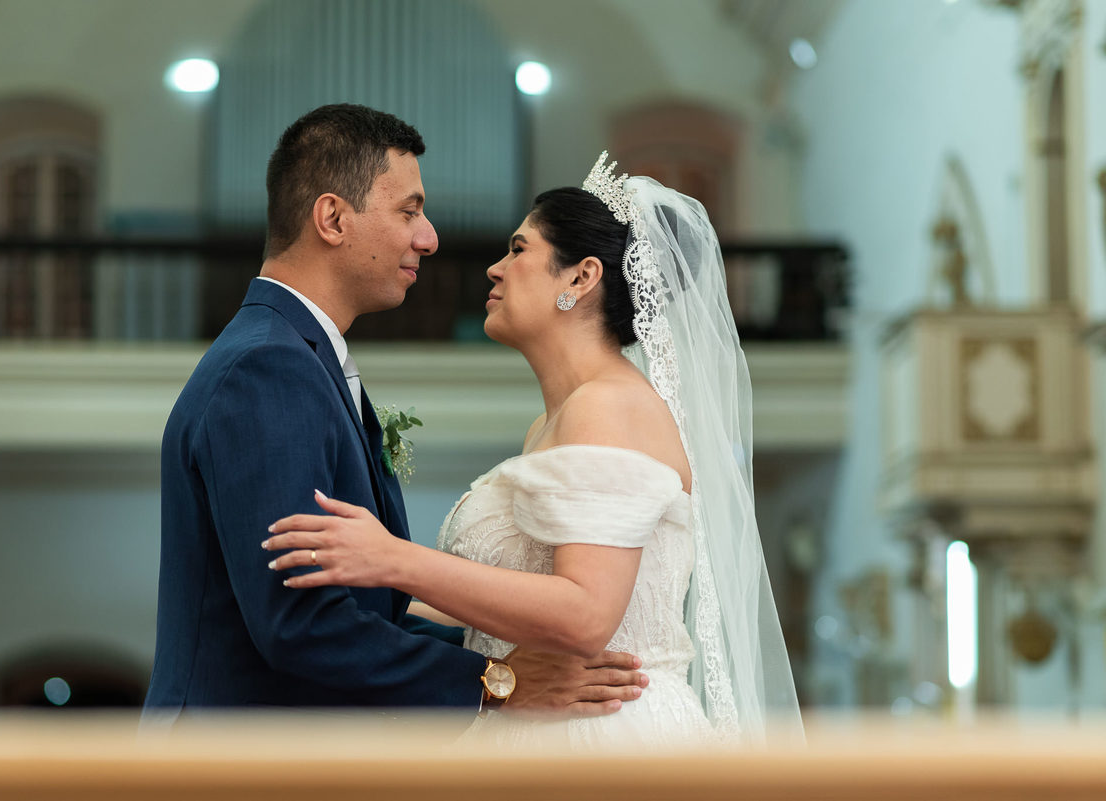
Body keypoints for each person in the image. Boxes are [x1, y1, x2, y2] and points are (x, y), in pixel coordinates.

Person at [262, 153, 804, 748]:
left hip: (604, 734)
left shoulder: (608, 406)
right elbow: (501, 613)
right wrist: (360, 585)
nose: (494, 269)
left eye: (519, 250)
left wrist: (393, 559)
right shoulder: (557, 420)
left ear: (581, 277)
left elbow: (587, 613)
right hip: (548, 722)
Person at [143, 106, 648, 720]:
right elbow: (299, 621)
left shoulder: (293, 357)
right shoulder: (267, 370)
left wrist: (493, 661)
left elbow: (363, 609)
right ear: (331, 218)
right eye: (409, 211)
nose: (430, 237)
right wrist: (494, 682)